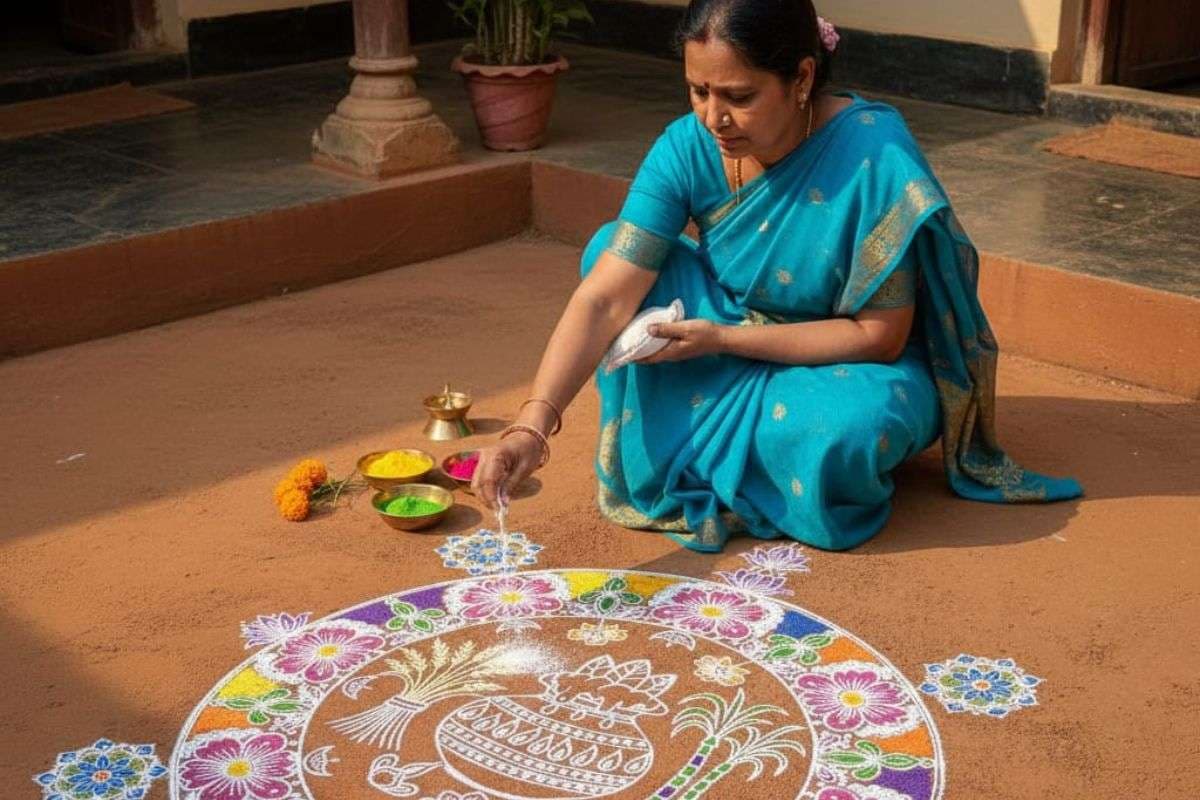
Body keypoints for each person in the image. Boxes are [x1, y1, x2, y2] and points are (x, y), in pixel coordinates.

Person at [471, 0, 1082, 552]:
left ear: (803, 78)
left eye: (738, 96)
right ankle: (741, 452)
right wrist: (531, 426)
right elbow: (605, 300)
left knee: (845, 432)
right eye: (697, 91)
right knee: (609, 251)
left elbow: (880, 337)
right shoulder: (686, 147)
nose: (715, 118)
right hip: (724, 322)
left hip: (845, 359)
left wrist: (722, 341)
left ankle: (704, 442)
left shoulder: (874, 156)